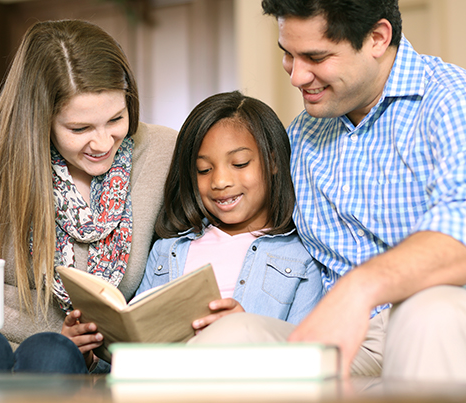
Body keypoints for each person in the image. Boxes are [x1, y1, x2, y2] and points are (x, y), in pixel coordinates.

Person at [193, 0, 466, 381]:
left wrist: (360, 288)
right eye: (288, 55)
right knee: (229, 336)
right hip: (342, 339)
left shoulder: (452, 102)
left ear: (377, 38)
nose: (296, 76)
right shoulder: (302, 134)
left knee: (427, 314)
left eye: (315, 57)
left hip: (442, 319)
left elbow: (460, 234)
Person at [0, 20, 177, 374]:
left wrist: (68, 334)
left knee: (55, 353)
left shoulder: (161, 153)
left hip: (60, 359)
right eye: (80, 129)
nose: (104, 142)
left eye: (116, 119)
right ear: (38, 120)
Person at [137, 91, 323, 332]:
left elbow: (305, 354)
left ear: (274, 162)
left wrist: (246, 330)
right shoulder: (166, 250)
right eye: (204, 170)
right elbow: (134, 335)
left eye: (240, 164)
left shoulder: (302, 256)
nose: (220, 181)